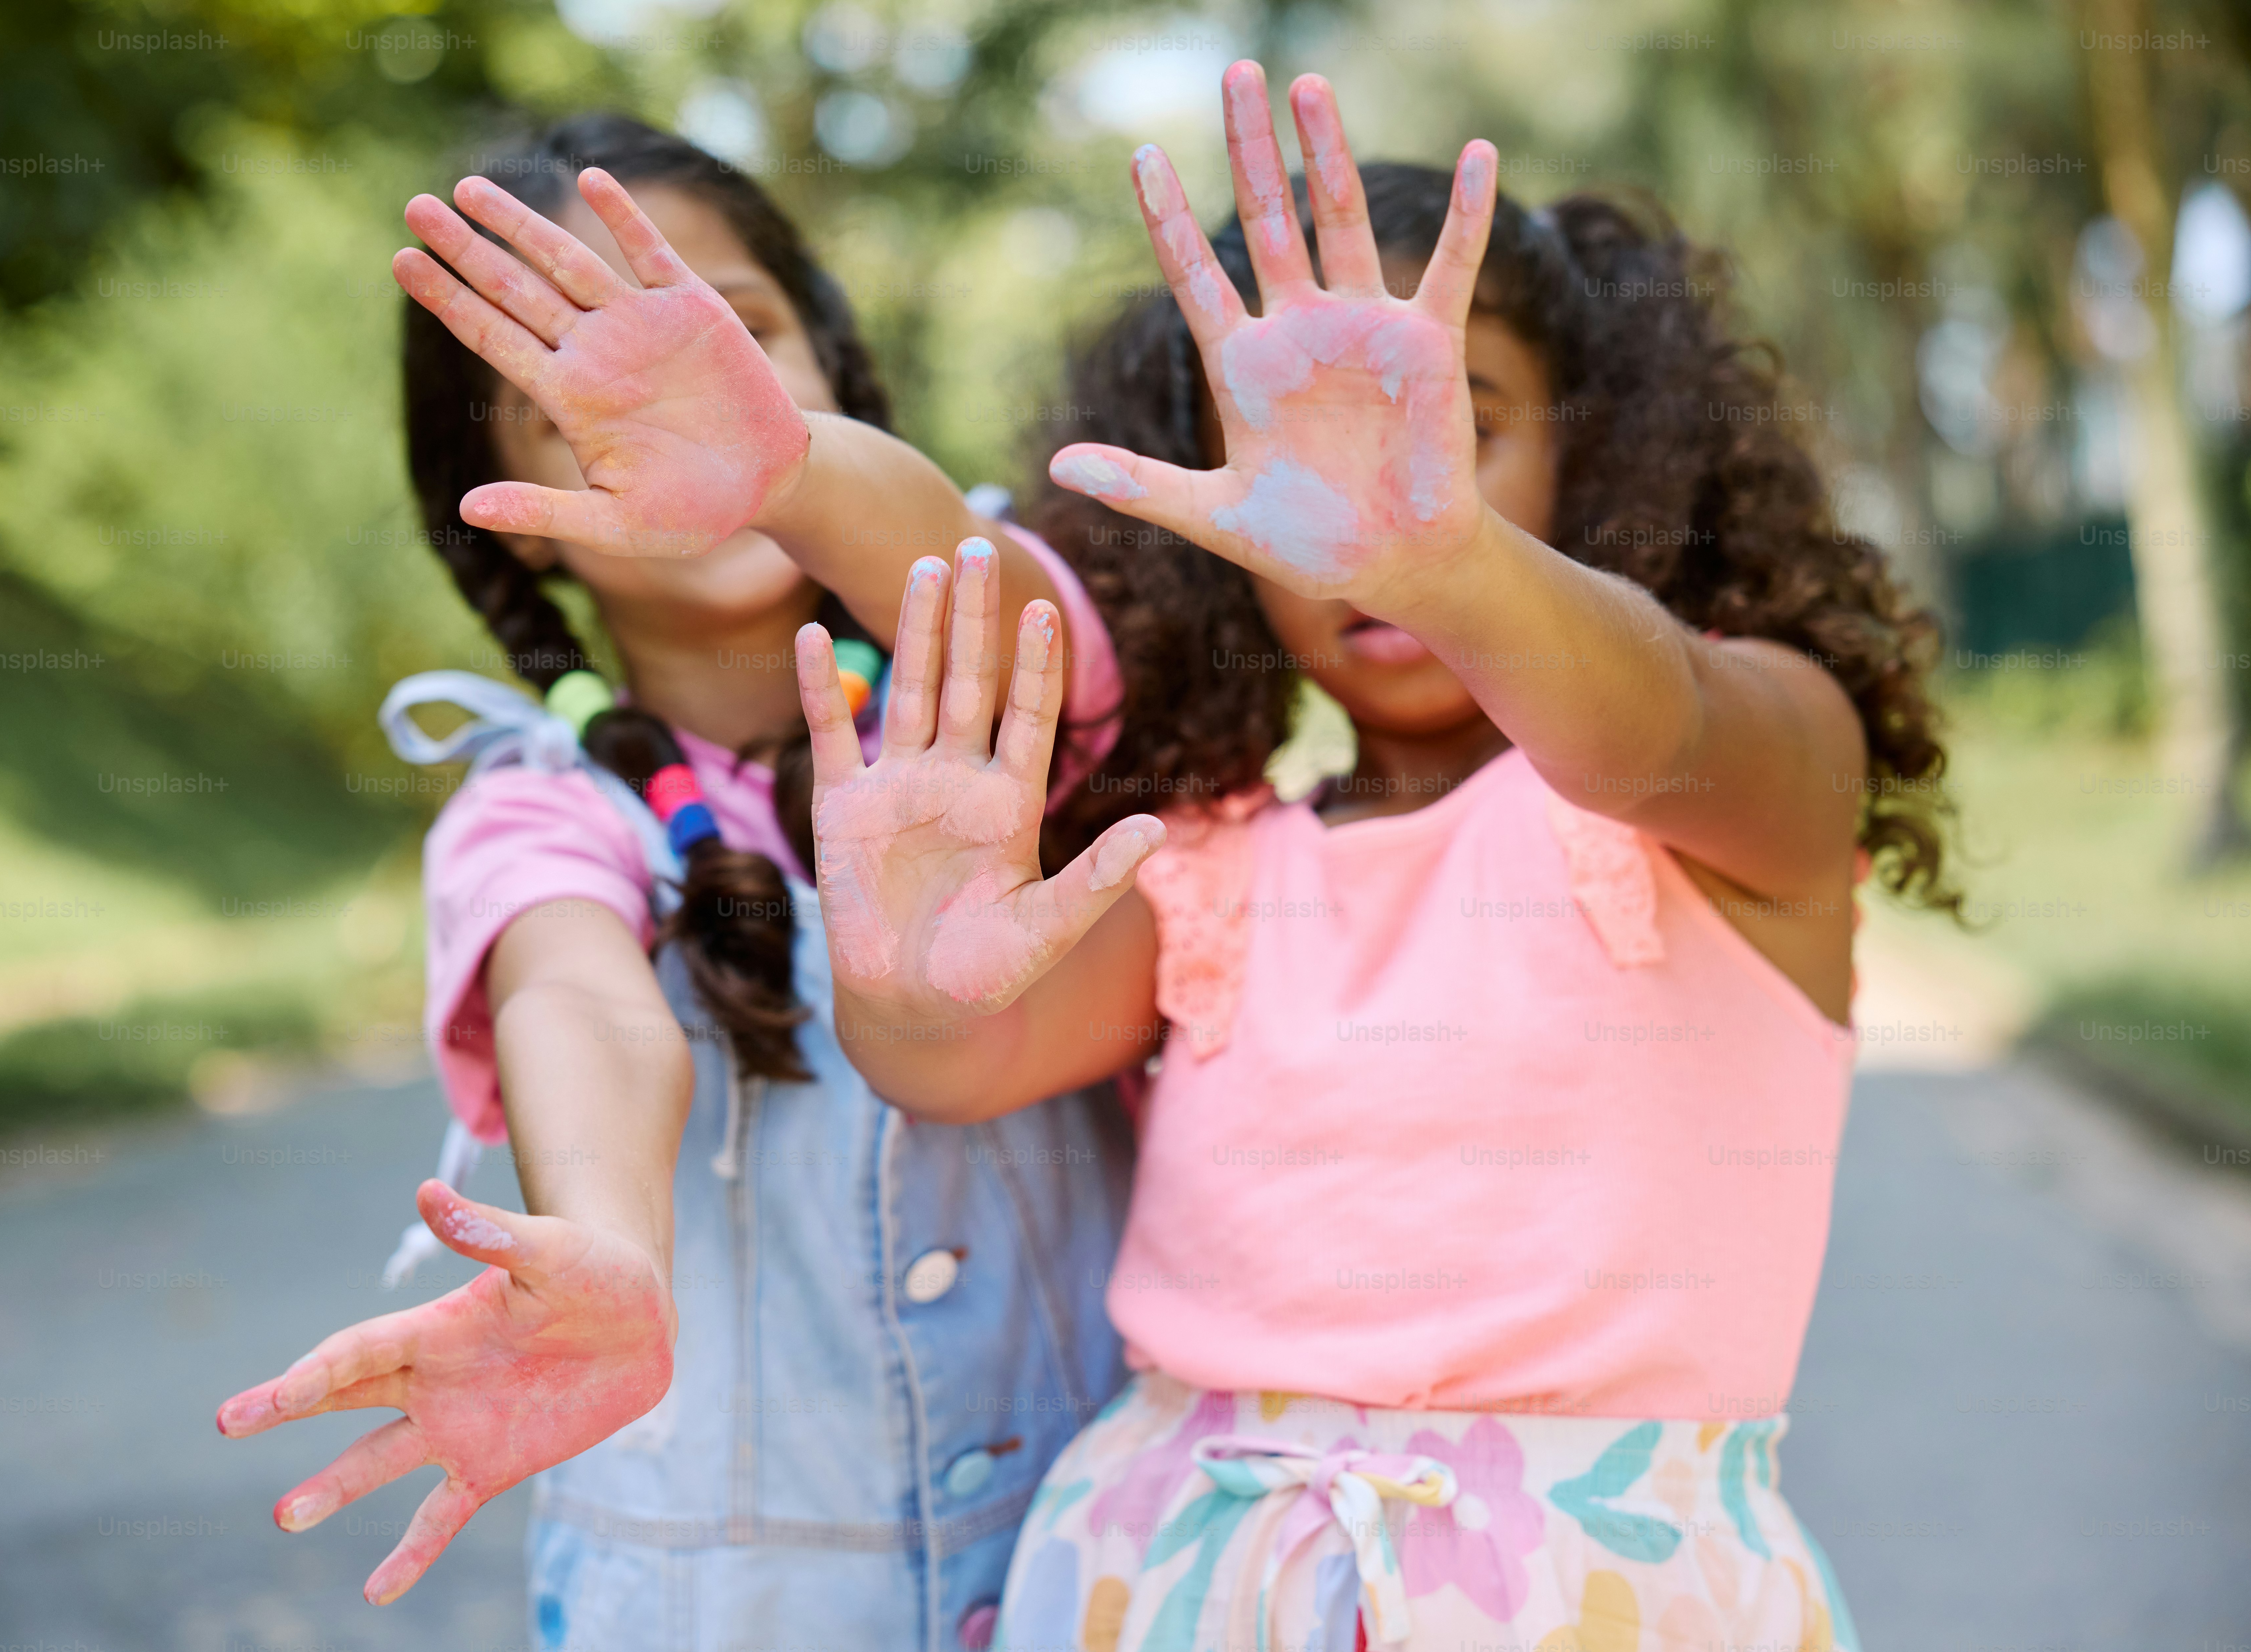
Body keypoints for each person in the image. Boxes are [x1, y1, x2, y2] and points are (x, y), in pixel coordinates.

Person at [797, 63, 1954, 1649]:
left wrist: (1452, 559)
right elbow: (959, 1054)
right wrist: (906, 977)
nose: (1360, 499)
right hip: (1169, 1580)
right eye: (1283, 464)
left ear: (1596, 457)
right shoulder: (1209, 864)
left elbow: (1654, 711)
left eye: (1459, 428)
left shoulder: (1737, 768)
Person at [215, 115, 1132, 1652]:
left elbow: (990, 588)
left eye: (743, 339)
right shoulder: (542, 815)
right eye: (573, 391)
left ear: (836, 376)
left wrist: (782, 466)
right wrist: (605, 1245)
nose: (673, 403)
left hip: (1101, 1557)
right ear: (499, 511)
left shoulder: (992, 670)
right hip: (731, 1602)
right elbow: (580, 998)